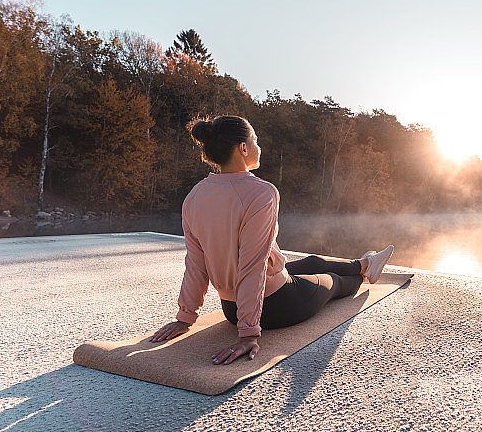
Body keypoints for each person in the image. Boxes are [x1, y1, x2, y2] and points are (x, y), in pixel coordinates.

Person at [149, 115, 394, 365]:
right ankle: (361, 274)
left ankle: (365, 263)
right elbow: (252, 265)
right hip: (277, 306)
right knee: (334, 282)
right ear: (243, 148)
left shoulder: (194, 196)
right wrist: (248, 334)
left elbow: (196, 264)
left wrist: (185, 317)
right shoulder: (261, 193)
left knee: (311, 261)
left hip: (231, 309)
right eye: (255, 140)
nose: (259, 146)